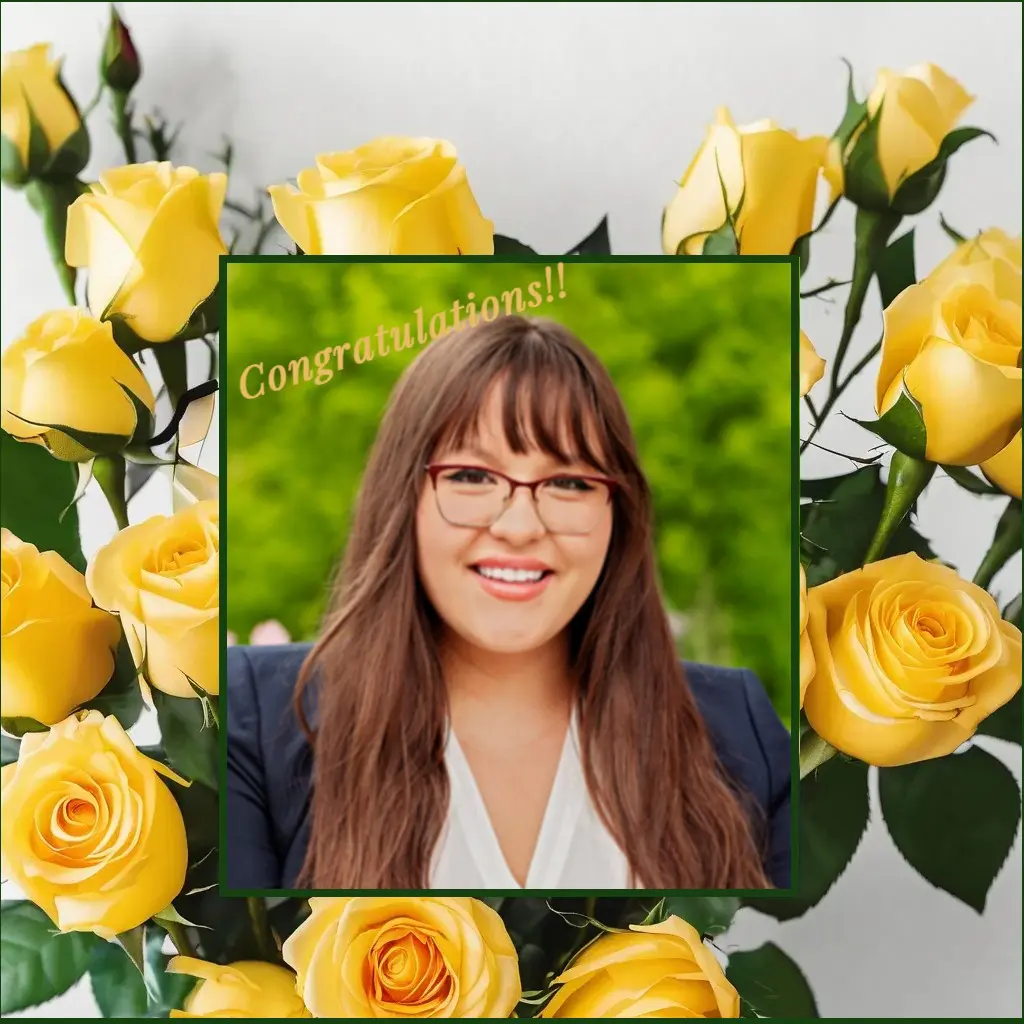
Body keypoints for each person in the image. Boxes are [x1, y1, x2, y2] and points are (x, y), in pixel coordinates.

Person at [226, 314, 791, 891]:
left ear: (619, 515)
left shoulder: (738, 732)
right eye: (472, 475)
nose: (520, 526)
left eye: (570, 482)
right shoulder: (256, 719)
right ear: (404, 496)